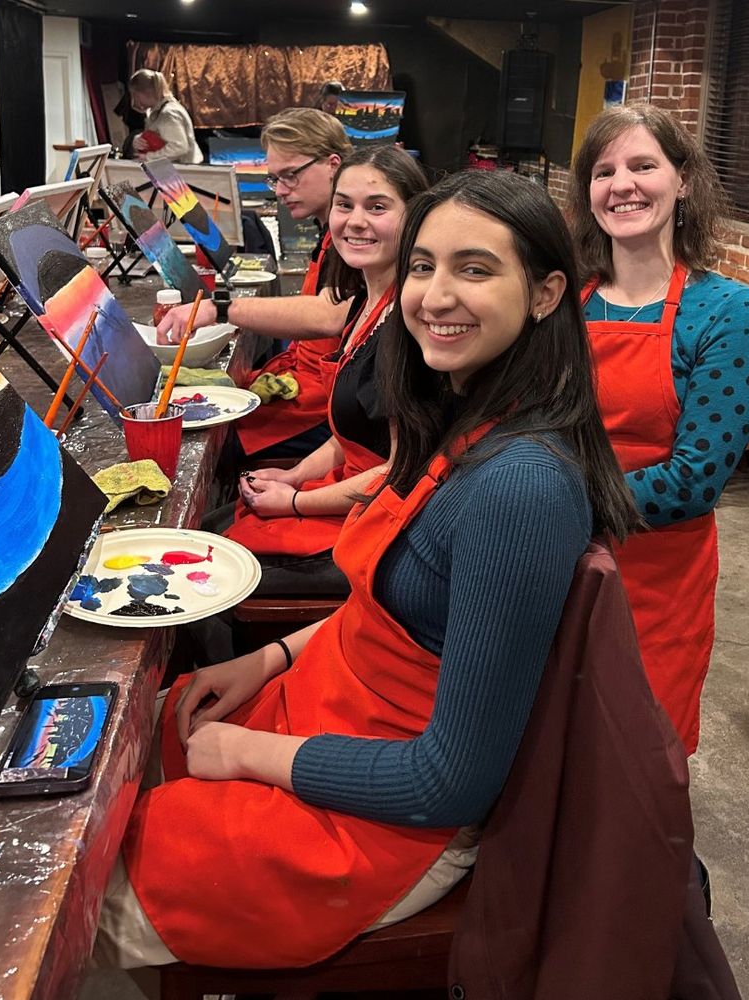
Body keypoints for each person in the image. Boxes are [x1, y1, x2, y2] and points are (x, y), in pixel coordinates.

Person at [95, 169, 639, 970]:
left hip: (383, 812)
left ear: (549, 292)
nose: (435, 295)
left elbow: (450, 781)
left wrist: (247, 759)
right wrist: (269, 656)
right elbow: (397, 611)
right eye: (424, 267)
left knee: (89, 880)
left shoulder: (521, 487)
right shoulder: (461, 412)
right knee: (123, 754)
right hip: (332, 705)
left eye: (476, 269)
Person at [569, 104, 749, 755]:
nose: (622, 184)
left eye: (642, 165)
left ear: (682, 180)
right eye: (604, 171)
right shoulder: (560, 300)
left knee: (634, 754)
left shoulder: (729, 312)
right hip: (549, 563)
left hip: (652, 578)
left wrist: (547, 502)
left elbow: (694, 481)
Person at [204, 146, 428, 617]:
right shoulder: (366, 305)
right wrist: (293, 476)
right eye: (344, 205)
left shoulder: (410, 323)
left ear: (416, 217)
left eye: (378, 207)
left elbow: (400, 469)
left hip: (376, 525)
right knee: (206, 531)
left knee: (208, 570)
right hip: (347, 496)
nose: (354, 221)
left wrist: (296, 501)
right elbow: (351, 436)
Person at [156, 108, 355, 458]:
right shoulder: (329, 234)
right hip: (311, 383)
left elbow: (329, 315)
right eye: (275, 179)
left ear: (333, 164)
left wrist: (221, 309)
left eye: (290, 176)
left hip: (326, 406)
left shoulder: (353, 236)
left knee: (206, 440)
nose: (280, 190)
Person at [127, 69, 203, 164]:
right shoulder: (158, 111)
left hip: (184, 171)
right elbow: (161, 137)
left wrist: (149, 157)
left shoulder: (168, 114)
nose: (135, 100)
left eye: (135, 95)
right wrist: (139, 140)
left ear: (144, 93)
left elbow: (179, 147)